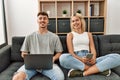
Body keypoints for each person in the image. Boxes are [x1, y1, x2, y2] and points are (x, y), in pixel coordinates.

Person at [59, 13, 120, 77]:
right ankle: (96, 70)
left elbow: (93, 49)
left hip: (89, 59)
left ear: (81, 21)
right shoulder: (70, 35)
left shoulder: (88, 34)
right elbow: (71, 52)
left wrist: (93, 59)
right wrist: (81, 59)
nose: (75, 23)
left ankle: (84, 72)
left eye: (77, 20)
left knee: (117, 57)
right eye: (73, 21)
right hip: (77, 60)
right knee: (62, 58)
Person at [12, 12, 64, 80]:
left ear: (48, 21)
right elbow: (23, 53)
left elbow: (59, 52)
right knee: (17, 78)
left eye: (45, 18)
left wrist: (53, 58)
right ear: (37, 21)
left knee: (60, 78)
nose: (42, 20)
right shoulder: (29, 36)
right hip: (32, 66)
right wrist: (26, 57)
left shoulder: (55, 37)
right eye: (40, 18)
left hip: (49, 65)